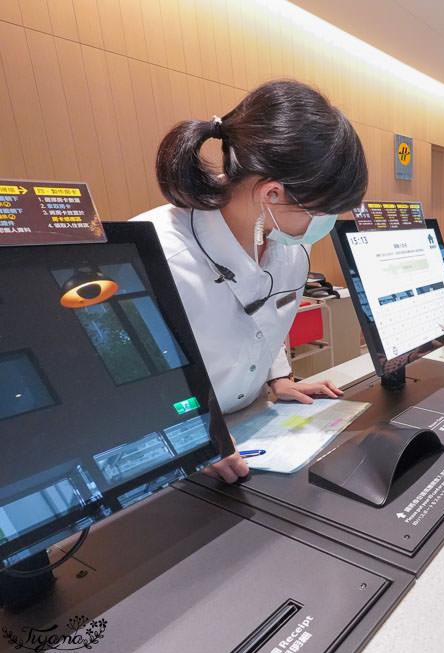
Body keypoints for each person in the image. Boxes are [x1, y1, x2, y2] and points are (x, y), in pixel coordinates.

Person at [133, 79, 368, 481]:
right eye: (325, 210)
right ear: (272, 194)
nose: (327, 224)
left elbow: (261, 317)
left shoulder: (290, 251)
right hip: (166, 453)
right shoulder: (155, 256)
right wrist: (190, 439)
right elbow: (135, 382)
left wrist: (279, 377)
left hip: (245, 427)